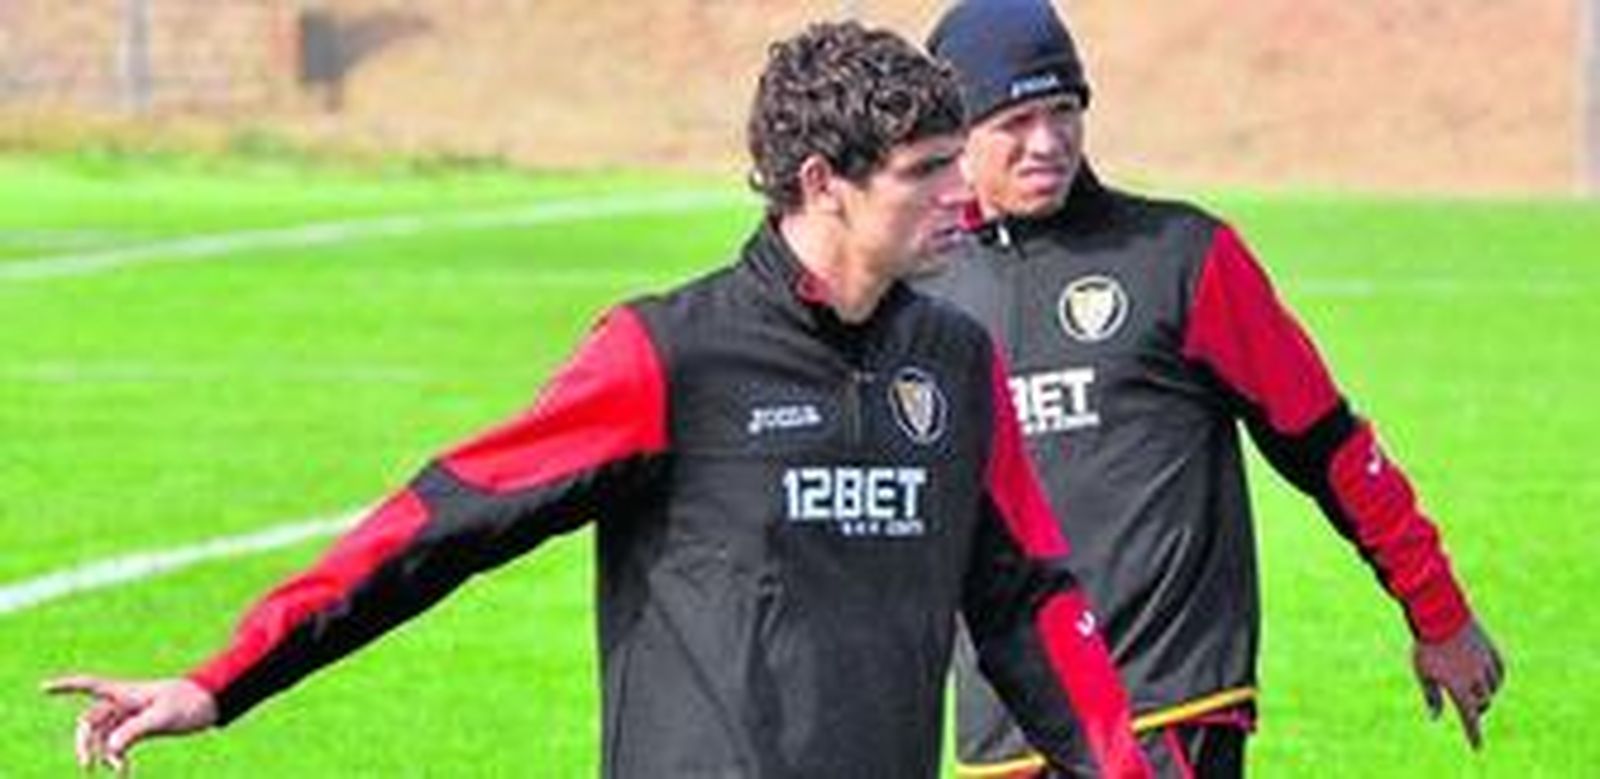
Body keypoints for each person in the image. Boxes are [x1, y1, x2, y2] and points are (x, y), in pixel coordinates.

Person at [44, 21, 1154, 778]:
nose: (965, 190)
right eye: (927, 169)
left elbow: (1029, 600)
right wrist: (221, 679)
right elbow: (437, 526)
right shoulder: (667, 353)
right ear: (823, 182)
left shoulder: (955, 362)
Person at [915, 1, 1506, 776]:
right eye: (1015, 120)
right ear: (957, 138)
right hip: (1008, 730)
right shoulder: (920, 293)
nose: (1048, 143)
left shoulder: (1183, 257)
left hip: (1166, 708)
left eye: (1064, 110)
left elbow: (1328, 444)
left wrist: (1439, 611)